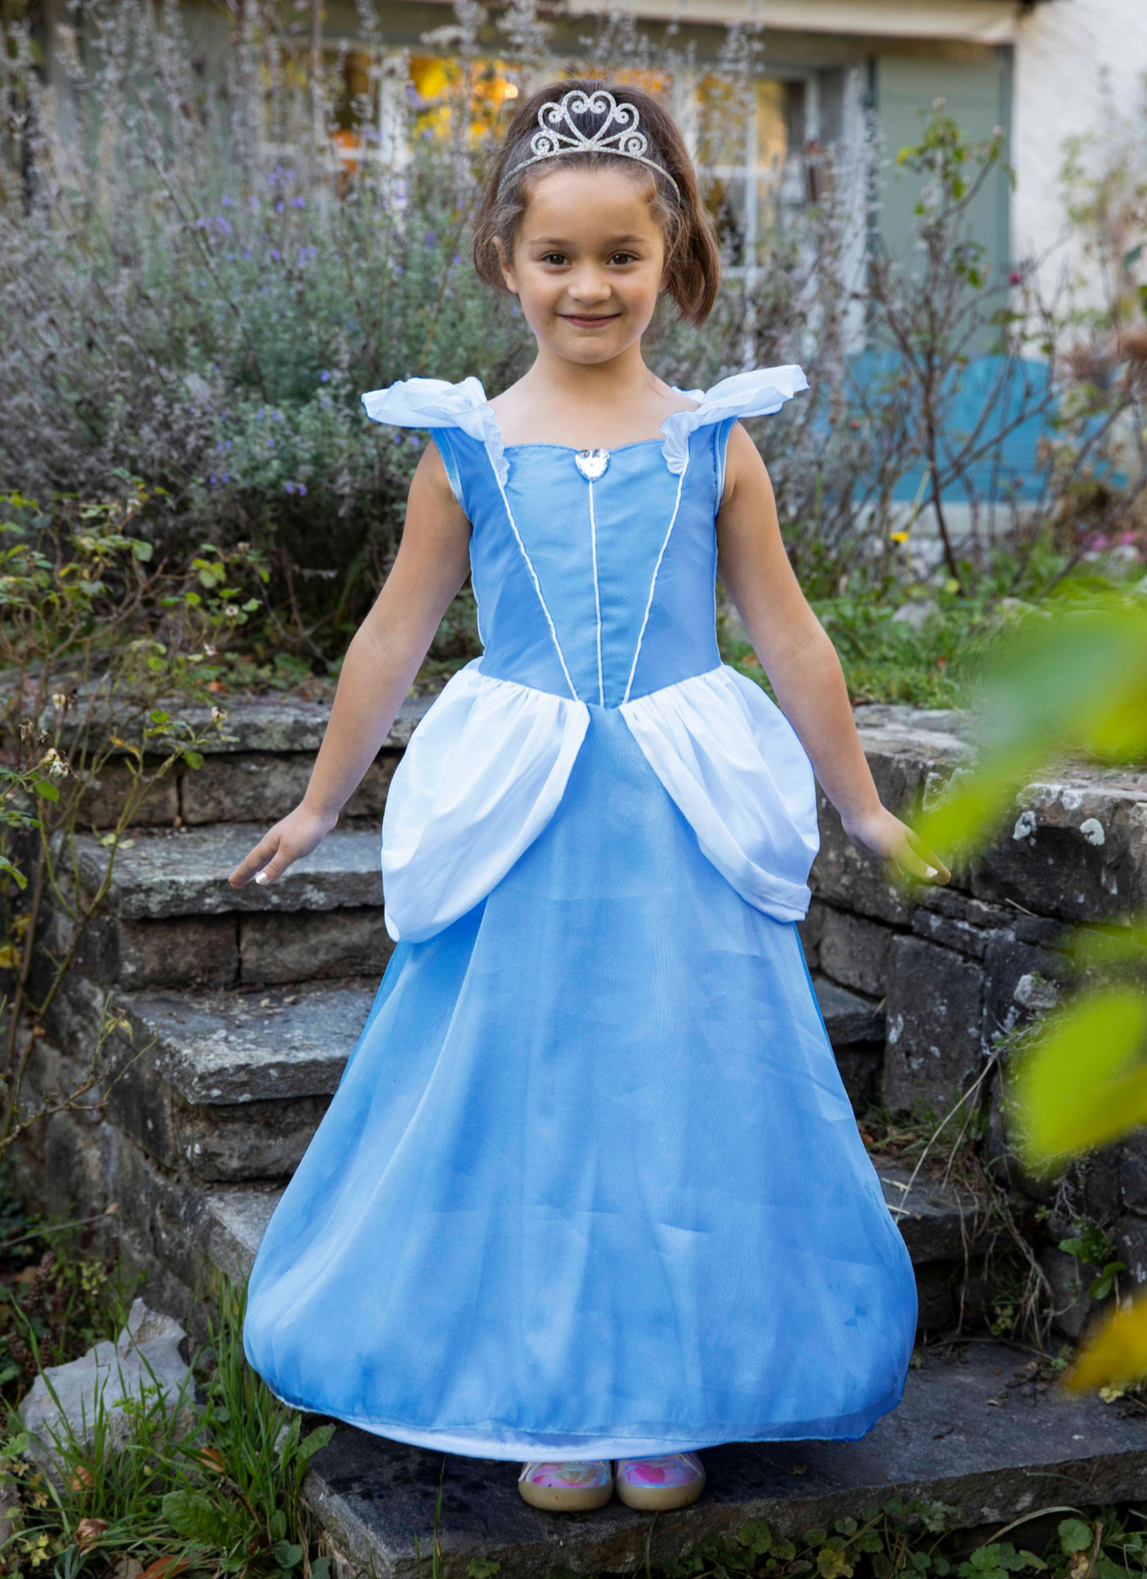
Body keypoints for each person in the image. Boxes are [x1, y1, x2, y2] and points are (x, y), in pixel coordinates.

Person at [232, 79, 950, 1517]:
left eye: (619, 255)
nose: (587, 285)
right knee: (538, 1091)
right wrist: (321, 802)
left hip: (673, 820)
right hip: (528, 820)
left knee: (677, 1089)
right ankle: (549, 1395)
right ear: (506, 259)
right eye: (556, 257)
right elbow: (390, 631)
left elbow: (789, 630)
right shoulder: (469, 446)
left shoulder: (711, 439)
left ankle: (668, 1388)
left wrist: (864, 805)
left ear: (668, 256)